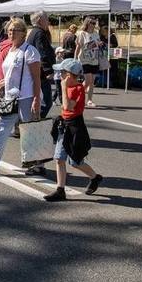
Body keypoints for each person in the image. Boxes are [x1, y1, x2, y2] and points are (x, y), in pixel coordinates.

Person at [0, 18, 41, 176]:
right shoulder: (10, 51)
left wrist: (36, 99)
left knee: (29, 131)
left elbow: (36, 77)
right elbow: (12, 74)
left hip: (26, 96)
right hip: (9, 97)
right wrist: (0, 83)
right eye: (10, 30)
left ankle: (37, 165)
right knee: (0, 128)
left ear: (23, 33)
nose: (11, 33)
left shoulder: (29, 51)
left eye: (16, 30)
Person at [43, 58, 103, 201]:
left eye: (62, 73)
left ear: (69, 75)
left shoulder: (78, 89)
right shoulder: (69, 86)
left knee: (75, 161)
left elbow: (68, 106)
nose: (60, 76)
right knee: (59, 158)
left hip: (75, 127)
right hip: (64, 125)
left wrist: (63, 88)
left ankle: (95, 177)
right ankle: (60, 189)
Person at [23, 11, 56, 177]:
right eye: (47, 19)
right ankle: (34, 124)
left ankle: (37, 162)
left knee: (41, 107)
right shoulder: (39, 34)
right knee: (44, 104)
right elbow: (42, 53)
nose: (48, 21)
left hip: (36, 76)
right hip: (41, 76)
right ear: (40, 20)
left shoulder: (32, 33)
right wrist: (49, 70)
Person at [75, 17, 102, 108]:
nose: (94, 25)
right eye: (92, 23)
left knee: (92, 82)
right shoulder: (82, 33)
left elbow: (97, 44)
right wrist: (75, 59)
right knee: (88, 80)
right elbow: (78, 47)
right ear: (87, 23)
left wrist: (99, 44)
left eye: (95, 23)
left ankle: (89, 100)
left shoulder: (96, 33)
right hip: (84, 59)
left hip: (94, 59)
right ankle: (77, 95)